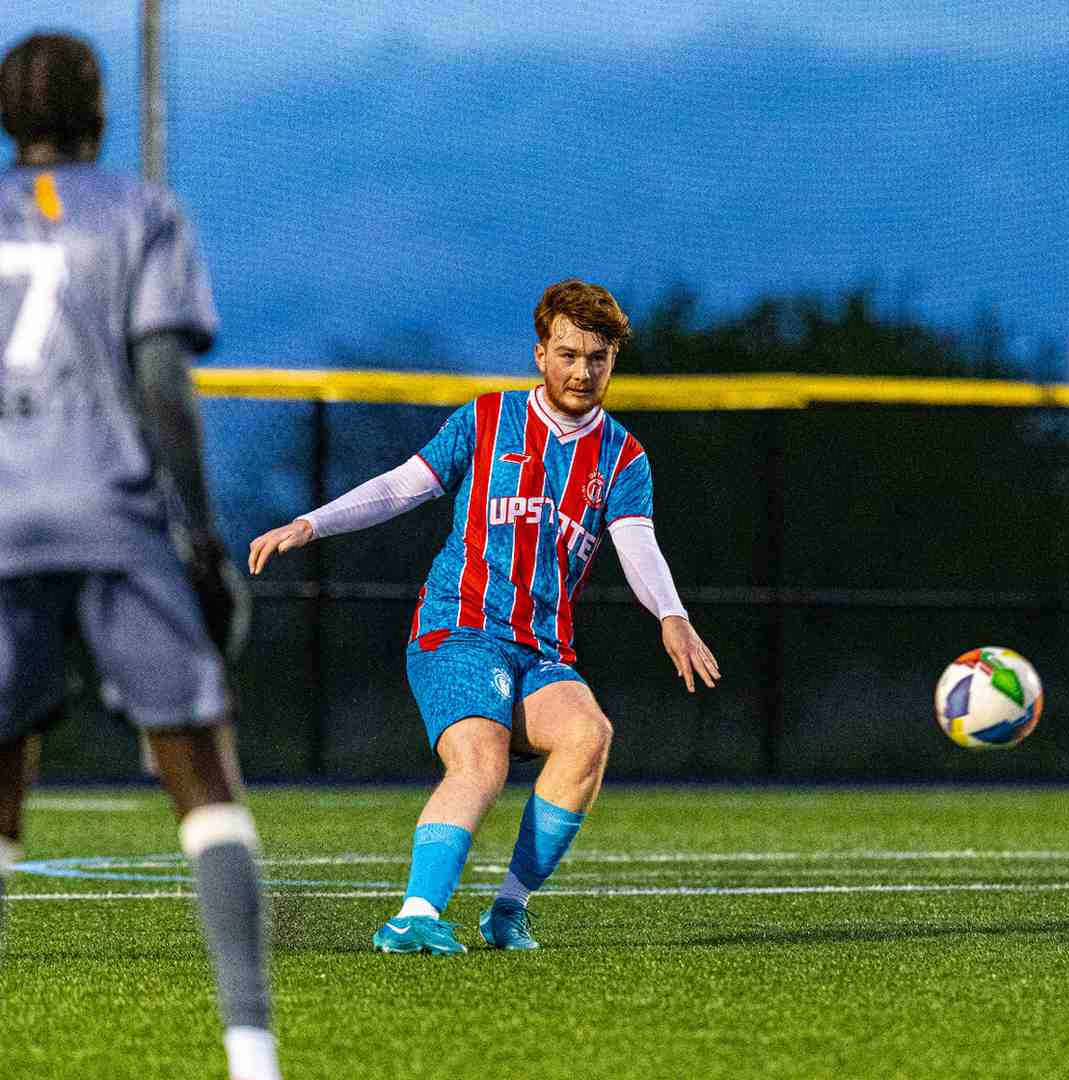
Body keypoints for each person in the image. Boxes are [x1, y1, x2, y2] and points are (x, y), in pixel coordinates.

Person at [249, 278, 720, 954]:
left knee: (589, 735)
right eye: (568, 354)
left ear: (613, 360)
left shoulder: (622, 456)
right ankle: (414, 915)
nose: (583, 371)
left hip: (542, 650)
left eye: (598, 357)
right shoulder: (487, 419)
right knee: (481, 759)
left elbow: (637, 544)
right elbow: (402, 486)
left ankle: (507, 912)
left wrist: (671, 614)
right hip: (458, 631)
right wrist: (310, 524)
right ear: (540, 354)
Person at [0, 33, 280, 1080]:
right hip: (111, 511)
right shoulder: (141, 210)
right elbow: (163, 383)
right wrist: (201, 539)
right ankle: (252, 1058)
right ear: (102, 114)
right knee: (203, 775)